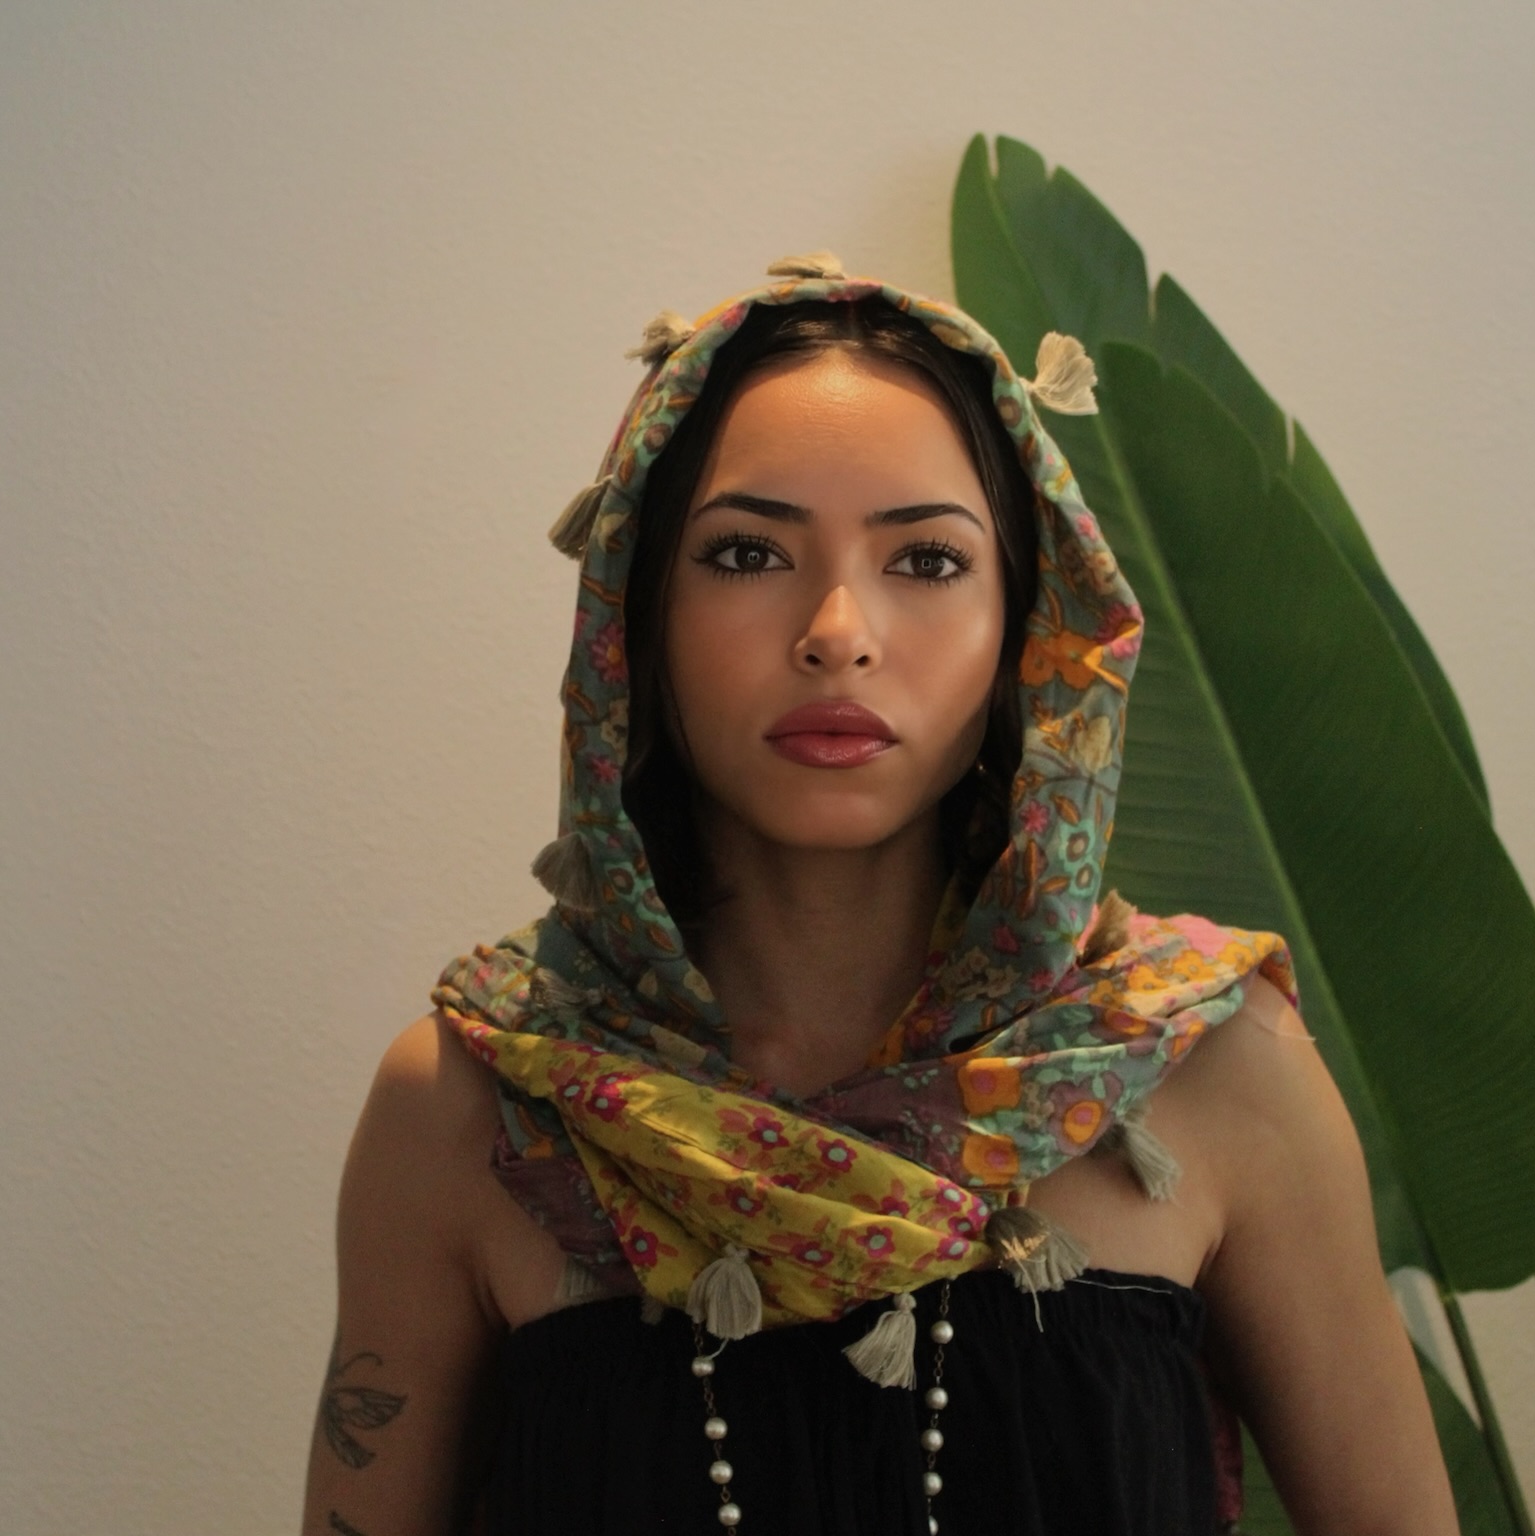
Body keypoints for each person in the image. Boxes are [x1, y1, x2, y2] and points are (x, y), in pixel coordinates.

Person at [301, 256, 1457, 1536]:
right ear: (635, 617)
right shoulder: (473, 1107)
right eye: (747, 553)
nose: (839, 630)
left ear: (1028, 627)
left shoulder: (1212, 1073)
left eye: (928, 560)